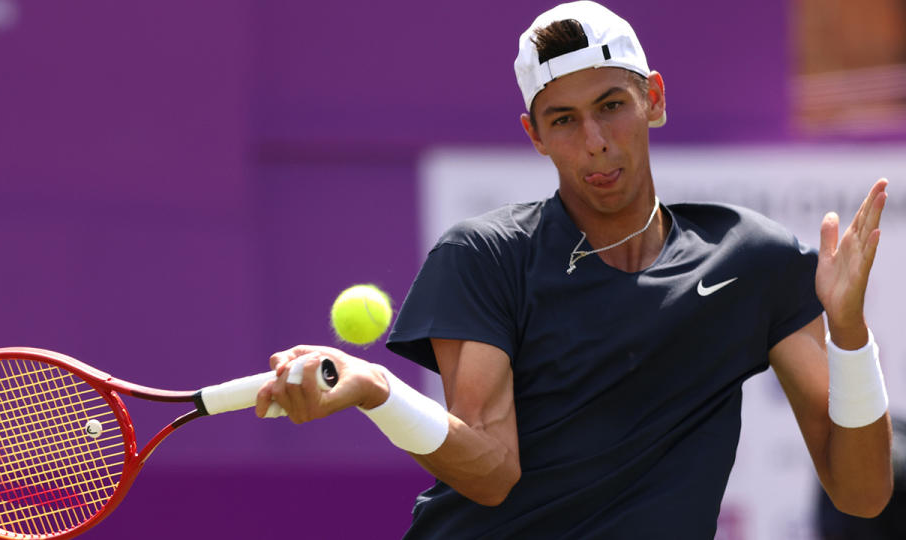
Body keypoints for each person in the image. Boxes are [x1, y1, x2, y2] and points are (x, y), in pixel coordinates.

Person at [255, 2, 894, 537]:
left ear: (654, 99)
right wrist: (378, 389)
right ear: (535, 135)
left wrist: (848, 332)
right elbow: (490, 470)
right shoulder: (484, 256)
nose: (594, 140)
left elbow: (861, 495)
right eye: (564, 120)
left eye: (612, 105)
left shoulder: (753, 261)